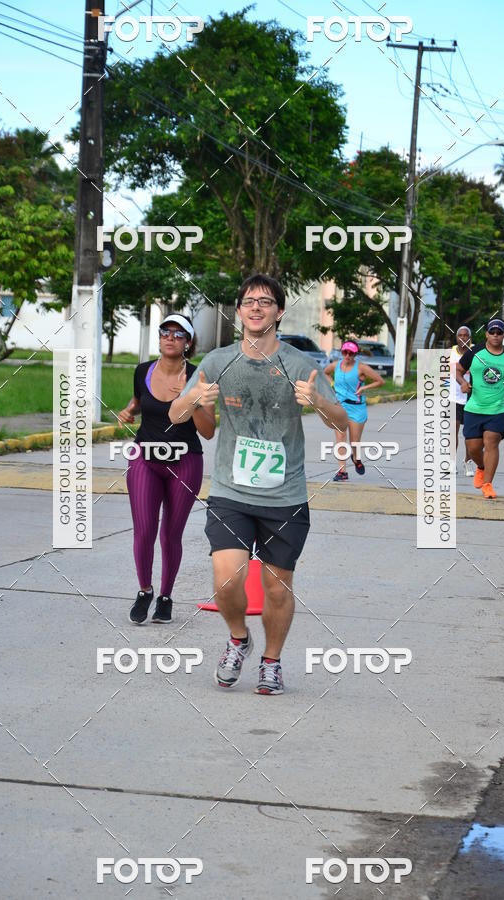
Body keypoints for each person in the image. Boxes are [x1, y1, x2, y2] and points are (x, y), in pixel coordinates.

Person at [169, 273, 347, 695]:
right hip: (231, 491)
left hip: (284, 496)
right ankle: (238, 639)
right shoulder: (217, 362)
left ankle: (272, 661)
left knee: (276, 587)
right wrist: (195, 401)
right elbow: (183, 418)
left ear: (279, 312)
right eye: (248, 301)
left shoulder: (302, 365)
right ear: (238, 310)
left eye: (265, 302)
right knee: (226, 578)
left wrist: (317, 401)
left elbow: (342, 421)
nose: (255, 307)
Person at [117, 314, 215, 625]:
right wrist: (129, 410)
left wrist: (194, 401)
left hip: (185, 462)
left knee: (170, 534)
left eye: (178, 333)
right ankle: (144, 590)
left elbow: (209, 431)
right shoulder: (143, 370)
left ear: (188, 342)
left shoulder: (200, 378)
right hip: (145, 457)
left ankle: (165, 598)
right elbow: (137, 400)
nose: (170, 337)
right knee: (144, 530)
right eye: (165, 332)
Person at [456, 317, 504, 500]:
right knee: (473, 449)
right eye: (492, 332)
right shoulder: (475, 352)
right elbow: (458, 369)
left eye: (499, 332)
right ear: (486, 333)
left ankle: (488, 484)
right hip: (474, 407)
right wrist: (463, 382)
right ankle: (480, 467)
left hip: (498, 409)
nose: (495, 335)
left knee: (491, 440)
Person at [323, 340, 384, 481]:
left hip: (357, 408)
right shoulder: (335, 365)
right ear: (342, 352)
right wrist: (331, 383)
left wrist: (364, 388)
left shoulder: (362, 368)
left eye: (351, 353)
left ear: (355, 354)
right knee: (340, 437)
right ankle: (342, 472)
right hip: (339, 407)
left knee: (354, 442)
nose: (348, 356)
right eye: (345, 352)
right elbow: (325, 372)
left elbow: (380, 381)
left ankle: (356, 459)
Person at [449, 326, 474, 476]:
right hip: (453, 398)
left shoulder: (475, 353)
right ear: (456, 337)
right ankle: (452, 462)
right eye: (460, 335)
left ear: (470, 338)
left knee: (470, 435)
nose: (463, 338)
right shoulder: (450, 353)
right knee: (453, 432)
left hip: (471, 399)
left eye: (466, 336)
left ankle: (467, 462)